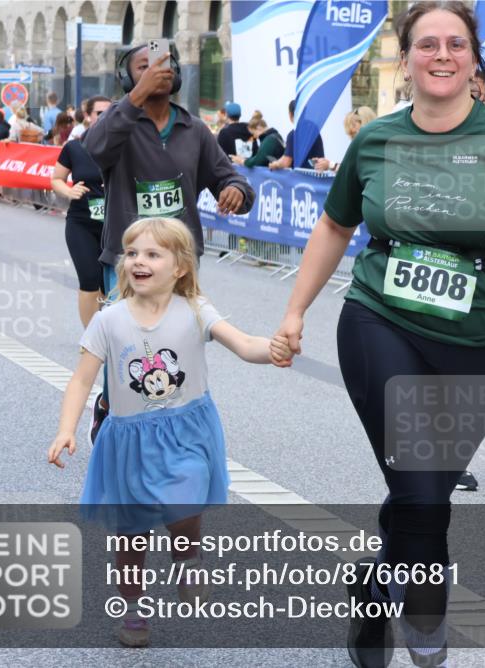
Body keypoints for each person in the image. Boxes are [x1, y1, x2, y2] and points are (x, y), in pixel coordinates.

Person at [273, 3, 485, 666]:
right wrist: (296, 310)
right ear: (406, 57)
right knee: (419, 486)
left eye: (455, 44)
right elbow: (335, 226)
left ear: (474, 59)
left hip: (480, 340)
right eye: (426, 45)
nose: (441, 55)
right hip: (380, 318)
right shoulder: (376, 139)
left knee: (426, 489)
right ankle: (427, 625)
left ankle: (374, 585)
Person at [47, 217, 291, 648]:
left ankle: (187, 558)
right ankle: (134, 608)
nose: (138, 261)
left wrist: (270, 350)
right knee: (131, 533)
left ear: (180, 266)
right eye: (133, 253)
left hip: (186, 430)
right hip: (128, 440)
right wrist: (66, 429)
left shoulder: (196, 309)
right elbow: (82, 380)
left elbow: (242, 344)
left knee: (186, 494)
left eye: (152, 254)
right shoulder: (109, 319)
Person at [83, 42, 254, 445]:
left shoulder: (193, 130)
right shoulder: (120, 125)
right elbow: (94, 149)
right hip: (127, 263)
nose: (156, 70)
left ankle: (170, 427)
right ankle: (112, 410)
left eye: (163, 64)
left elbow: (231, 178)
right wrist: (136, 96)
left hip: (179, 264)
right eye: (144, 66)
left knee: (175, 345)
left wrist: (234, 190)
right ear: (128, 78)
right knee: (126, 348)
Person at [50, 96, 112, 328]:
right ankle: (92, 337)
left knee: (111, 285)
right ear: (87, 116)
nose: (104, 117)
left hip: (115, 225)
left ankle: (108, 330)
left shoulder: (123, 145)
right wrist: (69, 191)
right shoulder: (74, 148)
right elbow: (56, 179)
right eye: (99, 113)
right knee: (89, 280)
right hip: (81, 223)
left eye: (110, 112)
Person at [312, 106, 378, 172]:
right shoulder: (377, 143)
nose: (353, 138)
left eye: (354, 132)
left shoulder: (371, 147)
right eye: (352, 135)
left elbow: (354, 171)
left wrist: (330, 165)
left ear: (364, 122)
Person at [269, 98, 325, 170]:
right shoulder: (314, 129)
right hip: (318, 174)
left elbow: (286, 162)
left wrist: (275, 164)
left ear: (290, 114)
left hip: (302, 177)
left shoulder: (293, 135)